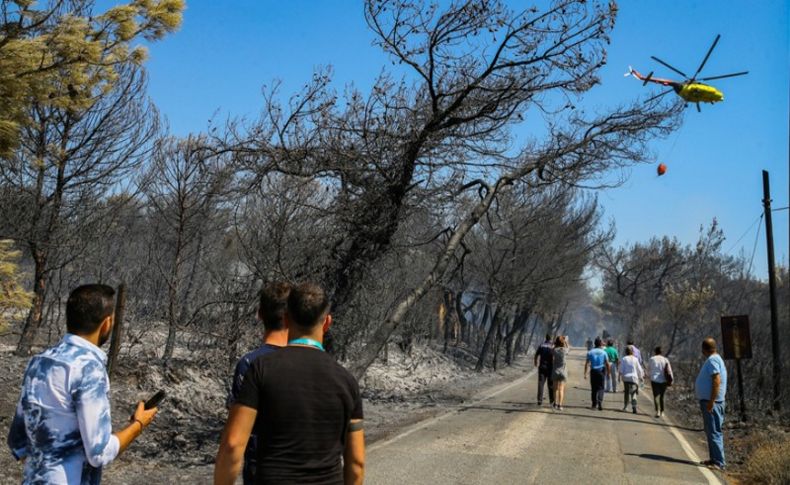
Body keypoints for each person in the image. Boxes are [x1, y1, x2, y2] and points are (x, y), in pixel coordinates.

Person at [214, 282, 365, 485]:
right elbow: (356, 464)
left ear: (286, 319)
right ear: (327, 322)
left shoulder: (260, 369)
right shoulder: (347, 381)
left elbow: (232, 445)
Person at [6, 284, 158, 484]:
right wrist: (138, 424)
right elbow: (99, 452)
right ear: (106, 323)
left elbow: (17, 439)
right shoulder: (89, 370)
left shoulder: (39, 361)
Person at [226, 282, 291, 484]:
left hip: (260, 465)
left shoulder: (249, 364)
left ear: (259, 314)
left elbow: (236, 435)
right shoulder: (308, 361)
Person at [695, 337, 727, 471]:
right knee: (710, 431)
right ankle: (714, 459)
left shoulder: (713, 360)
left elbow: (716, 380)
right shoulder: (715, 359)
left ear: (704, 349)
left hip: (712, 402)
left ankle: (719, 462)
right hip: (711, 401)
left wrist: (711, 401)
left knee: (714, 432)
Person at [584, 337, 610, 410]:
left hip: (593, 372)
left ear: (594, 344)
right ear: (601, 344)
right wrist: (608, 373)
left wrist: (585, 373)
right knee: (601, 387)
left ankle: (594, 405)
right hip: (601, 371)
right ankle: (600, 402)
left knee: (594, 388)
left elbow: (587, 363)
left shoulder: (590, 352)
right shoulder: (604, 352)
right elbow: (607, 364)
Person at [648, 346, 673, 418]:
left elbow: (649, 369)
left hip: (655, 380)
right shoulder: (665, 360)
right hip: (663, 380)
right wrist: (671, 380)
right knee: (662, 396)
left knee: (656, 396)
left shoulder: (652, 359)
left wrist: (649, 375)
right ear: (662, 352)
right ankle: (662, 411)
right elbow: (669, 371)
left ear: (655, 352)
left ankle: (657, 411)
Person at [619, 345, 644, 414]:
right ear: (632, 351)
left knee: (626, 393)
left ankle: (625, 407)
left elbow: (621, 369)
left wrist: (620, 375)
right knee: (633, 393)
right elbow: (639, 369)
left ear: (626, 352)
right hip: (634, 378)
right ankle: (634, 406)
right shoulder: (635, 359)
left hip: (626, 378)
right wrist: (641, 377)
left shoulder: (624, 359)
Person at [533, 334, 554, 406]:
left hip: (542, 367)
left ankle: (539, 400)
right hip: (550, 368)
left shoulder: (541, 345)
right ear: (551, 339)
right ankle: (552, 400)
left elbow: (536, 355)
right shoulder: (552, 346)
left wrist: (535, 362)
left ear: (546, 338)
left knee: (541, 384)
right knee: (550, 384)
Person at [551, 336, 569, 411]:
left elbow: (552, 348)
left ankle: (555, 403)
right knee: (561, 389)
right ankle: (560, 405)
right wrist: (565, 341)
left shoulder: (554, 350)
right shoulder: (565, 350)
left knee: (555, 389)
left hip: (555, 371)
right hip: (563, 372)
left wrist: (555, 343)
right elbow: (568, 346)